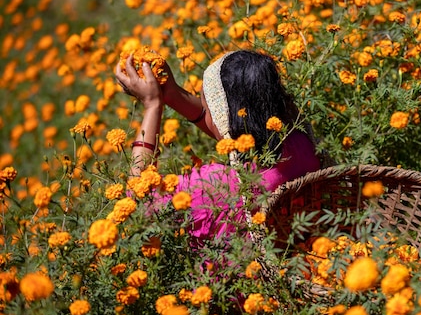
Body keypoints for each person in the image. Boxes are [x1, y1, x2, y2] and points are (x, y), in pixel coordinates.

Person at [115, 49, 320, 247]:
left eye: (207, 104)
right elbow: (228, 129)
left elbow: (140, 203)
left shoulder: (213, 188)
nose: (205, 110)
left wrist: (152, 105)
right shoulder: (300, 143)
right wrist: (173, 94)